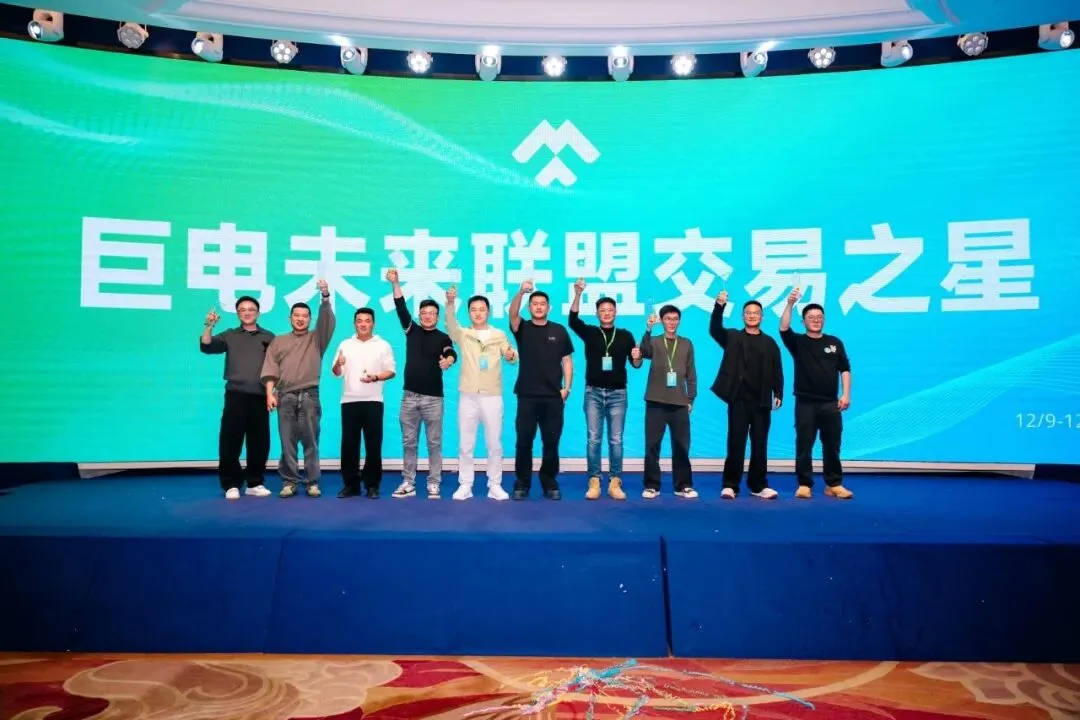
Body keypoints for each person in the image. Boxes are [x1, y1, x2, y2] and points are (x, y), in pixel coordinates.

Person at [386, 269, 457, 500]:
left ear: (437, 316)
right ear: (419, 315)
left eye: (432, 313)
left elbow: (450, 351)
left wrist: (449, 360)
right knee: (409, 442)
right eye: (424, 313)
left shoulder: (443, 337)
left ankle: (434, 483)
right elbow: (400, 307)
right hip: (409, 397)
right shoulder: (412, 330)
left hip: (433, 399)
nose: (427, 316)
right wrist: (395, 283)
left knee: (434, 443)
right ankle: (408, 482)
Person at [567, 278, 642, 500]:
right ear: (597, 313)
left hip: (618, 394)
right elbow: (573, 320)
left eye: (610, 310)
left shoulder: (626, 335)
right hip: (593, 393)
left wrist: (637, 357)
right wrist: (578, 293)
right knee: (594, 439)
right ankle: (594, 481)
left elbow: (636, 364)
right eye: (602, 310)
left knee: (616, 440)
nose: (607, 313)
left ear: (616, 312)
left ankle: (615, 482)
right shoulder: (590, 332)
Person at [260, 280, 336, 498]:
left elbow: (327, 320)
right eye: (296, 315)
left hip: (309, 395)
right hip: (284, 396)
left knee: (311, 441)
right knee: (287, 441)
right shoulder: (279, 341)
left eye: (305, 316)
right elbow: (270, 368)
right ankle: (289, 481)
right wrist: (269, 394)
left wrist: (325, 296)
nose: (300, 319)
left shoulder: (317, 338)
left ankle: (312, 482)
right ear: (290, 318)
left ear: (310, 319)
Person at [779, 288, 854, 499]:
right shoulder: (798, 342)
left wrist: (846, 395)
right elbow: (783, 328)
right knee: (804, 444)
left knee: (832, 445)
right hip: (805, 403)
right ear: (803, 321)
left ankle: (834, 484)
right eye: (811, 317)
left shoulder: (835, 342)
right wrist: (790, 303)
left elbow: (845, 369)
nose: (816, 320)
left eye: (819, 317)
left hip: (831, 403)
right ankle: (804, 484)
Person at [444, 287, 517, 501]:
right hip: (468, 394)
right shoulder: (464, 334)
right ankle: (465, 484)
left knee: (494, 443)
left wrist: (511, 355)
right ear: (469, 313)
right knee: (466, 443)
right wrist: (450, 303)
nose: (478, 313)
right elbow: (450, 326)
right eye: (473, 310)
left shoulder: (498, 335)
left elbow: (511, 355)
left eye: (482, 309)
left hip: (492, 395)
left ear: (488, 311)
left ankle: (495, 485)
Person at [709, 291, 783, 500]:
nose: (752, 316)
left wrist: (778, 392)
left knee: (760, 444)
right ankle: (730, 485)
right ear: (743, 316)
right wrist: (719, 306)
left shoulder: (770, 342)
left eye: (756, 313)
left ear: (762, 317)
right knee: (736, 443)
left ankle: (758, 485)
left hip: (762, 401)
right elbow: (714, 330)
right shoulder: (733, 337)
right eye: (748, 313)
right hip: (739, 399)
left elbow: (777, 369)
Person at [199, 296, 275, 500]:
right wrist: (209, 326)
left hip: (260, 396)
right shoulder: (230, 335)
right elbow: (207, 345)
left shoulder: (269, 337)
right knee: (230, 440)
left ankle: (254, 482)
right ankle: (231, 484)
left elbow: (276, 367)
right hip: (236, 394)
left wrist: (272, 392)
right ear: (238, 313)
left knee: (260, 442)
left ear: (258, 313)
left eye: (251, 309)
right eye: (242, 309)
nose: (247, 312)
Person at [509, 281, 574, 501]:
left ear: (549, 307)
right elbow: (512, 314)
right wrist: (521, 291)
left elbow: (567, 360)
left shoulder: (559, 330)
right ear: (529, 308)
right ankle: (522, 483)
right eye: (534, 303)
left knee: (551, 442)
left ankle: (549, 482)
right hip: (527, 395)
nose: (538, 306)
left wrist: (567, 388)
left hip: (553, 397)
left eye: (542, 303)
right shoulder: (522, 328)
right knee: (524, 442)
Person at [332, 307, 396, 499]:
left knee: (373, 445)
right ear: (354, 323)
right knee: (349, 445)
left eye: (367, 321)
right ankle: (351, 485)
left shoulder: (382, 345)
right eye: (359, 321)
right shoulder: (345, 344)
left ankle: (372, 485)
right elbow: (336, 372)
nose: (363, 324)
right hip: (349, 401)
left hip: (373, 400)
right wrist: (338, 363)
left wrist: (375, 377)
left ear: (373, 323)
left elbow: (391, 371)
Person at [639, 304, 697, 499]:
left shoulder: (686, 343)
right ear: (661, 321)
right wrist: (648, 329)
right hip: (655, 401)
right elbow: (644, 351)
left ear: (679, 321)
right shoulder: (655, 341)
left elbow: (691, 373)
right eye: (667, 319)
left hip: (679, 402)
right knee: (652, 445)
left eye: (675, 319)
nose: (672, 322)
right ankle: (651, 485)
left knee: (681, 446)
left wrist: (691, 397)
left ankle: (683, 485)